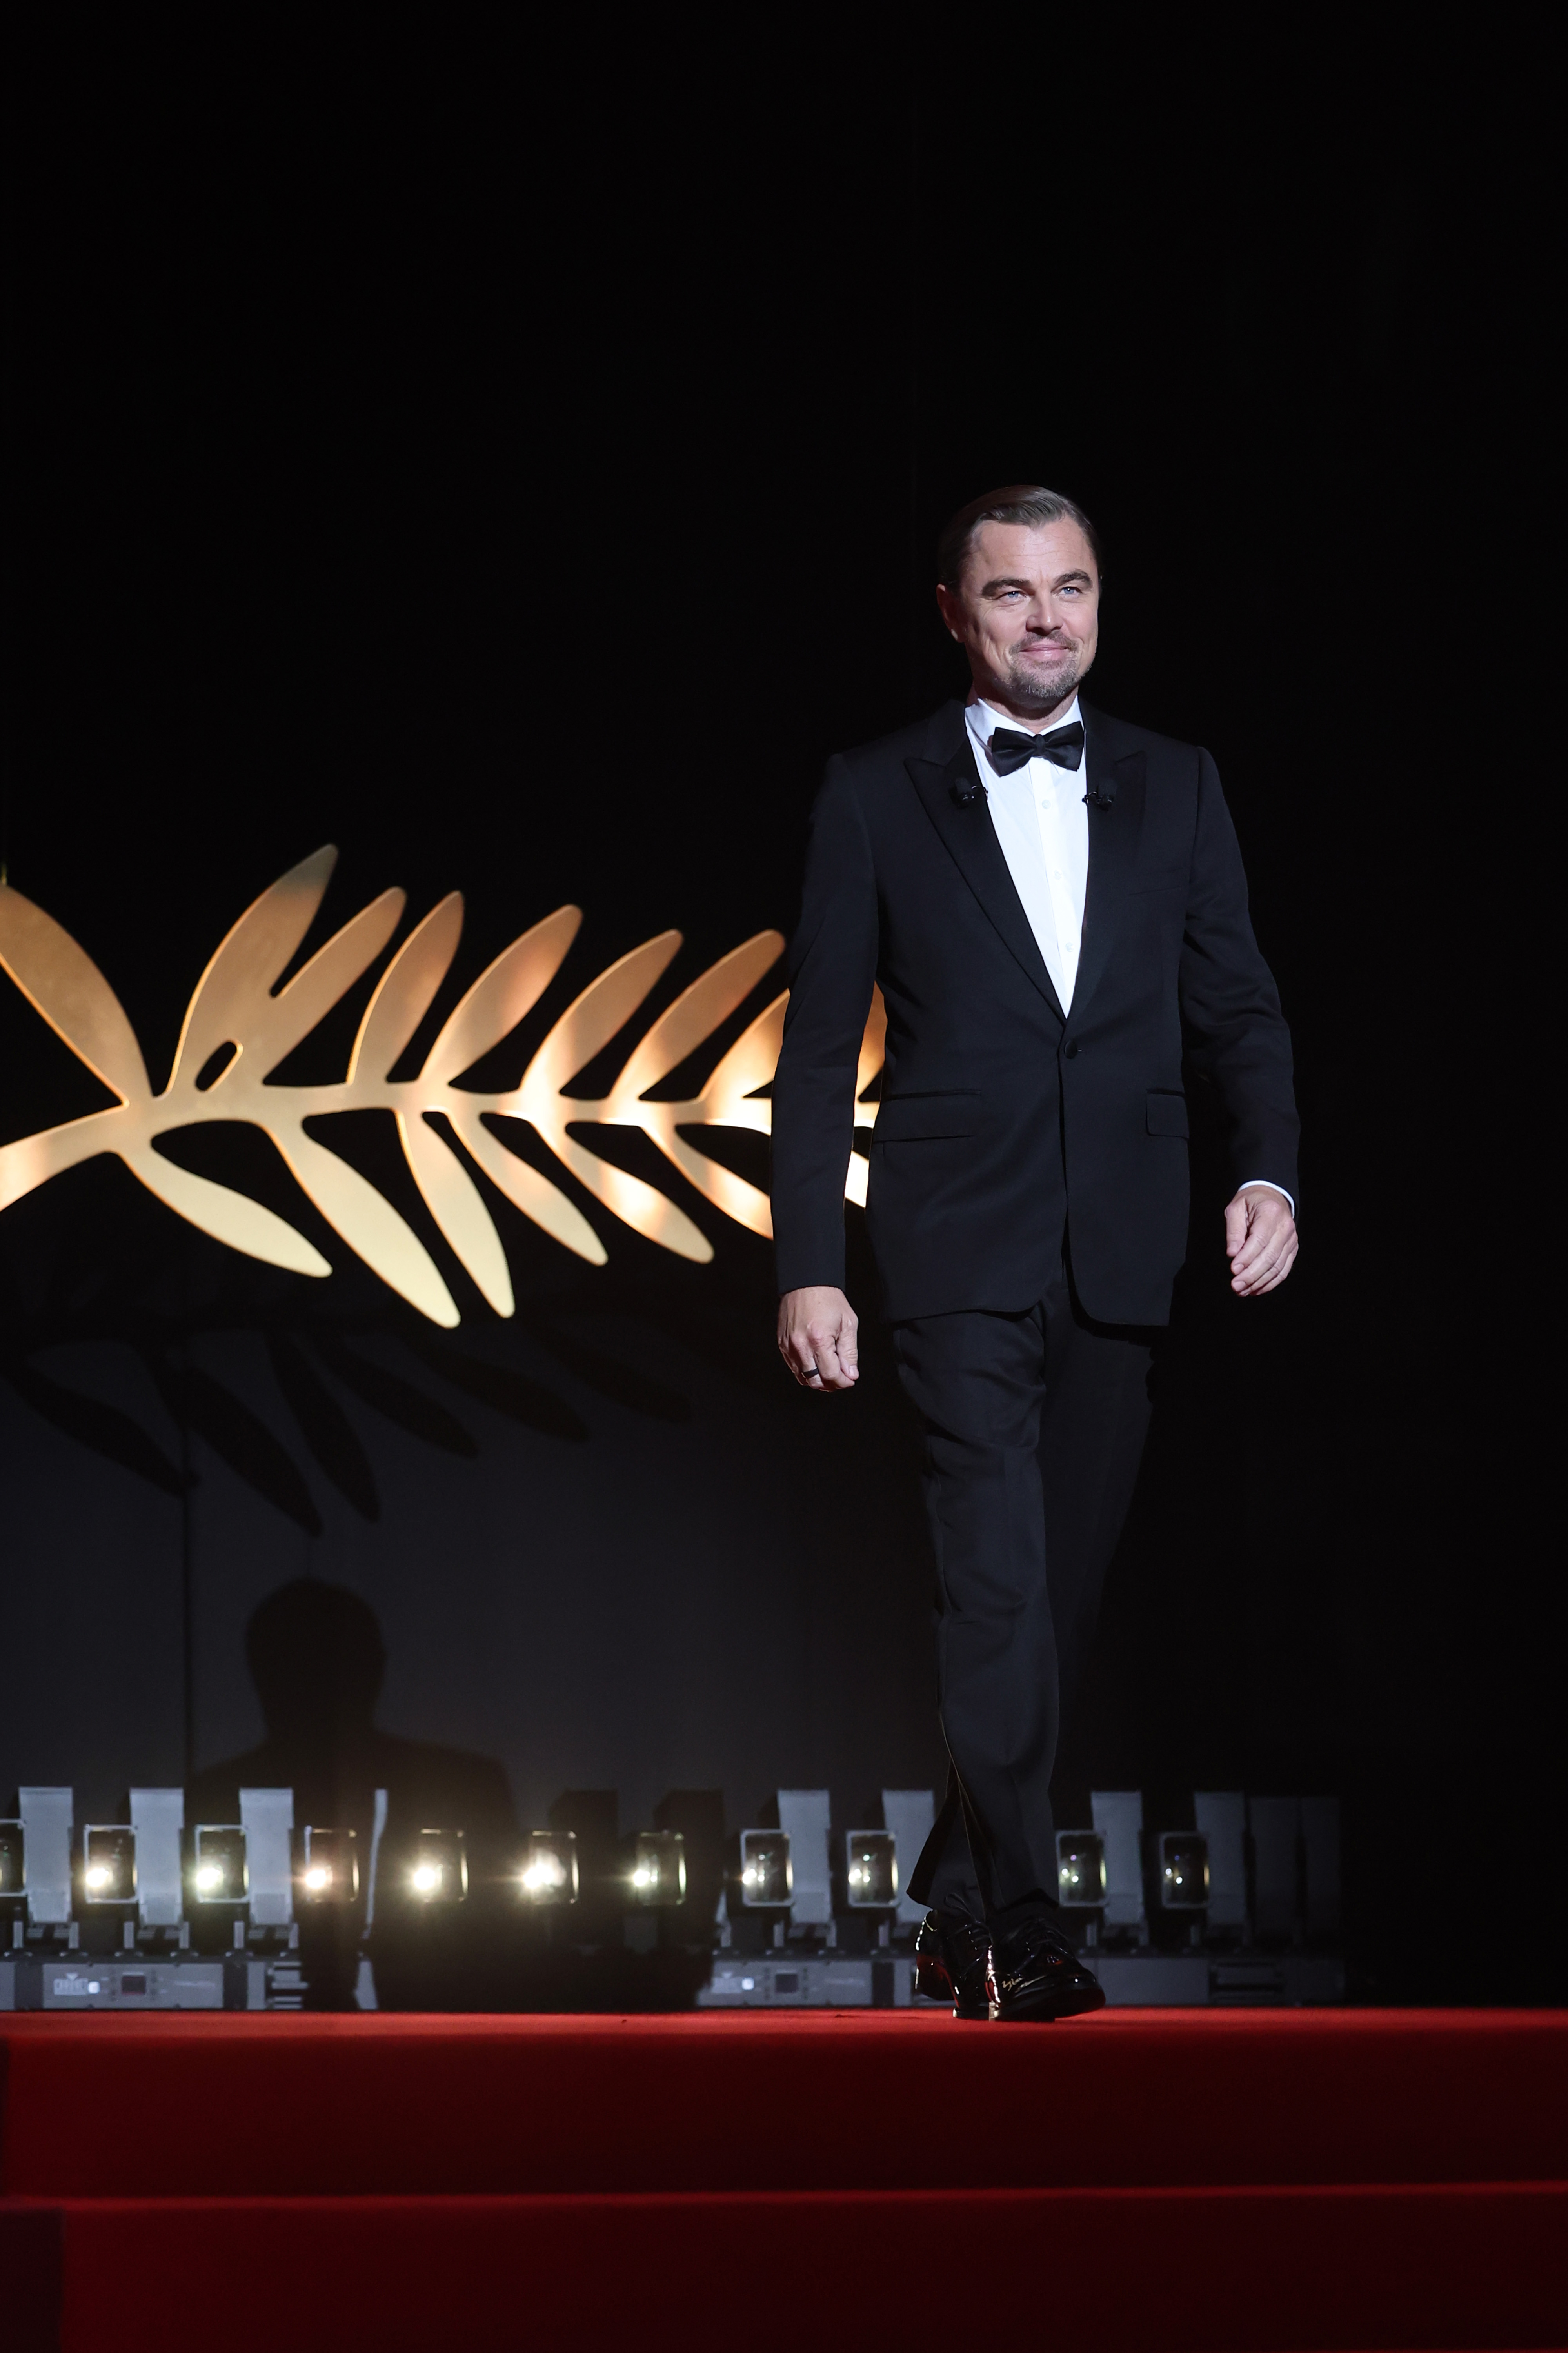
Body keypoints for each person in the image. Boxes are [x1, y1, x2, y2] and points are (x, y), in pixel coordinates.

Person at [770, 485, 1299, 2021]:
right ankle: (1022, 1923)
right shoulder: (873, 792)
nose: (1046, 619)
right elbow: (817, 1051)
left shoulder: (1177, 782)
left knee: (1055, 1608)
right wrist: (809, 1260)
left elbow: (1240, 1006)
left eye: (1071, 588)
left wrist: (1268, 1170)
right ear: (955, 613)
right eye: (1011, 593)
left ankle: (949, 1905)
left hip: (1126, 1244)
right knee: (996, 1586)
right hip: (953, 1245)